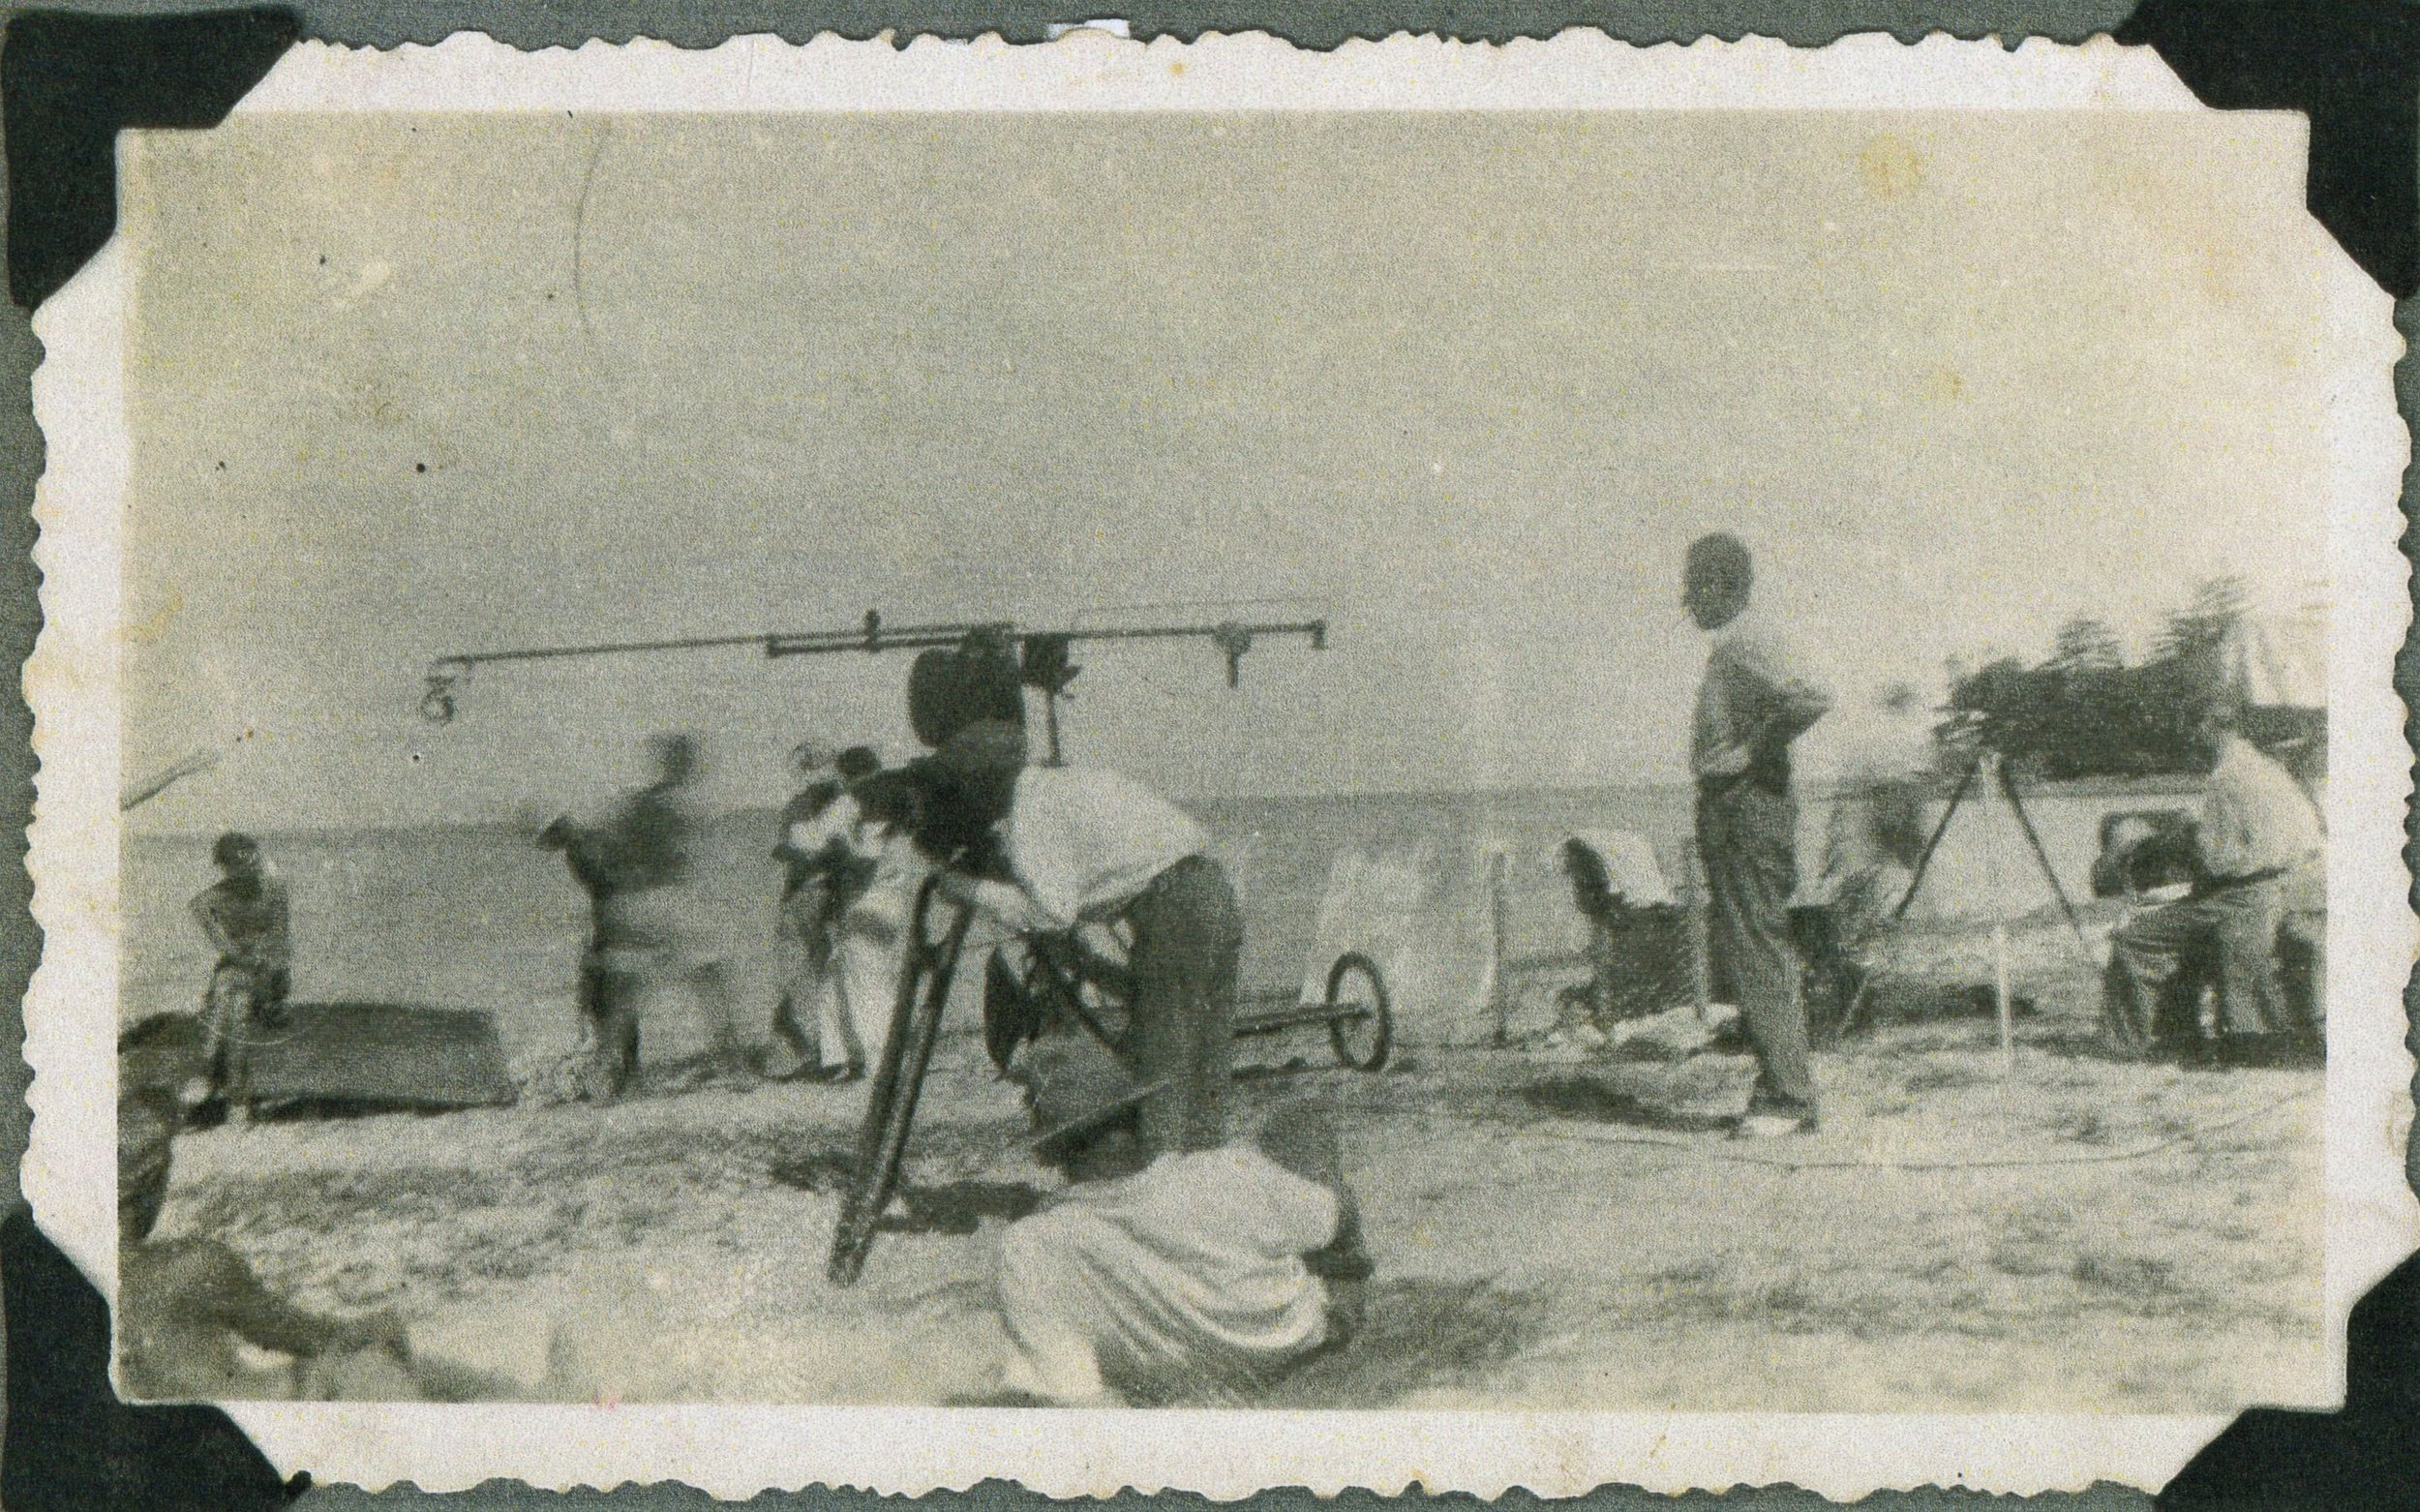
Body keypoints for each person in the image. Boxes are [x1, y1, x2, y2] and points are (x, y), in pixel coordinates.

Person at [991, 1032, 1371, 1406]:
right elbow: (1340, 1213)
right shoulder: (1227, 1173)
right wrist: (1348, 1272)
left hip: (1180, 1384)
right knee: (1301, 1128)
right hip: (1295, 1347)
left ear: (1051, 1149)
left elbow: (1074, 1395)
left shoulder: (1034, 1244)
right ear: (1137, 1116)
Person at [1683, 532, 1833, 1137]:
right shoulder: (1735, 647)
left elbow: (1813, 697)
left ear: (1727, 587)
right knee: (1750, 946)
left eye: (1696, 585)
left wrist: (1748, 752)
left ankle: (1788, 1098)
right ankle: (1779, 1085)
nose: (1687, 600)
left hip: (1748, 806)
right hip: (1735, 807)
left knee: (1758, 946)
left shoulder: (1747, 643)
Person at [2103, 707, 2324, 1063]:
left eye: (2195, 730)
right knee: (2181, 921)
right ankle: (2179, 1031)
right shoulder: (2268, 769)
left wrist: (2181, 835)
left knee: (2134, 936)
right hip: (2286, 886)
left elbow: (2214, 861)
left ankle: (2130, 1045)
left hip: (2244, 897)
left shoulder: (2226, 778)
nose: (2192, 741)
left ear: (2211, 729)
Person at [765, 743, 884, 1082]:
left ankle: (823, 1052)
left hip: (812, 897)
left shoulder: (807, 806)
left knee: (819, 976)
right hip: (829, 897)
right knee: (832, 975)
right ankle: (839, 1052)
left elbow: (797, 850)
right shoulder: (841, 803)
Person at [187, 832, 291, 1114]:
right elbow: (198, 907)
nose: (245, 869)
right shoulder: (218, 896)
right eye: (235, 864)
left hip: (263, 976)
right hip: (235, 974)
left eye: (250, 861)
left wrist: (277, 989)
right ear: (227, 866)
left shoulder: (272, 893)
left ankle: (215, 1081)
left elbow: (280, 945)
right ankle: (230, 1091)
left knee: (233, 1006)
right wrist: (231, 948)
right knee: (228, 1004)